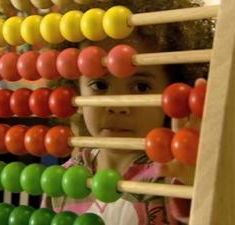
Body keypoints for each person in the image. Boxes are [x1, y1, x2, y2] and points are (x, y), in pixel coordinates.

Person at [43, 0, 214, 224]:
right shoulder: (62, 180)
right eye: (100, 86)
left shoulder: (175, 174)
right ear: (76, 90)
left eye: (141, 87)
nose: (118, 105)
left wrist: (194, 185)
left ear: (174, 90)